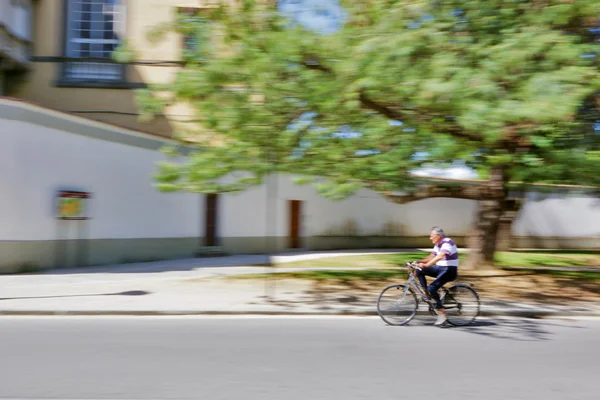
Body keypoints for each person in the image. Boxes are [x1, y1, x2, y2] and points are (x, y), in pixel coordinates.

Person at [416, 226, 459, 326]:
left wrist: (427, 265)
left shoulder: (447, 242)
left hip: (449, 270)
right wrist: (418, 262)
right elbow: (432, 256)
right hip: (440, 268)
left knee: (432, 288)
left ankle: (442, 313)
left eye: (432, 236)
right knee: (419, 269)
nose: (430, 238)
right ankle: (426, 294)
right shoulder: (438, 244)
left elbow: (440, 256)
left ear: (438, 236)